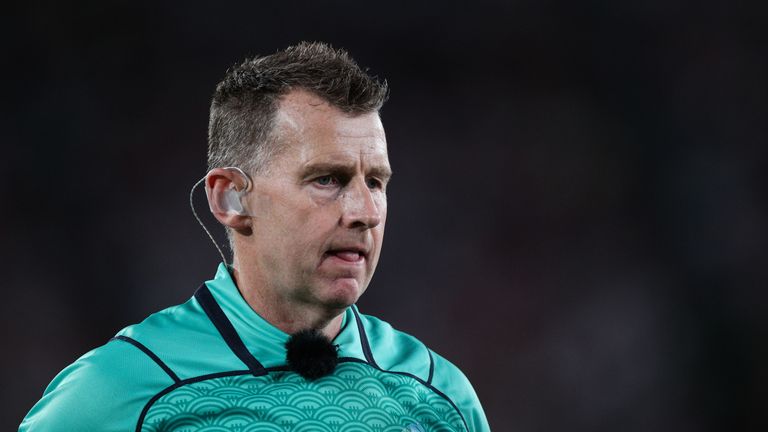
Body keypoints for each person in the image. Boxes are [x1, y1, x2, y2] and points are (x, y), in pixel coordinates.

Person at [20, 42, 490, 432]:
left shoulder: (439, 397)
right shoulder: (123, 388)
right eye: (327, 179)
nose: (365, 212)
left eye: (376, 182)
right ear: (231, 199)